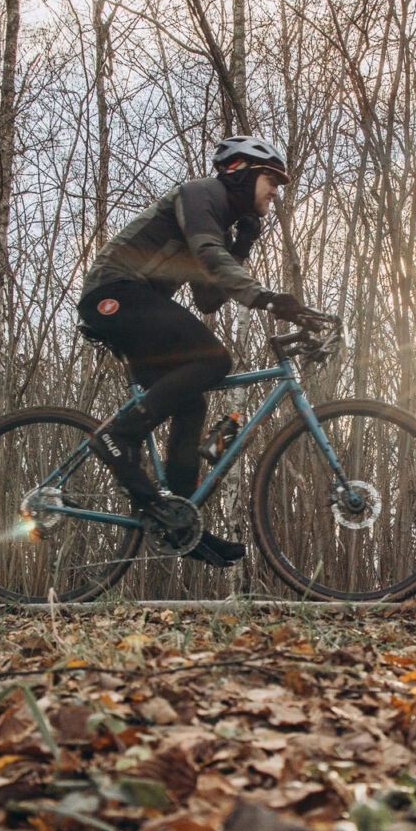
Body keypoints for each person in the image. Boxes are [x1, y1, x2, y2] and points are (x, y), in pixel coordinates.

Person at [77, 135, 317, 567]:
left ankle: (180, 521)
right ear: (241, 171)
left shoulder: (218, 219)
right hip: (114, 293)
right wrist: (265, 297)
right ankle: (117, 435)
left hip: (136, 301)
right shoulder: (199, 194)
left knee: (191, 403)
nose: (276, 191)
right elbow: (208, 255)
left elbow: (207, 299)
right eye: (271, 179)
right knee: (214, 359)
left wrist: (242, 243)